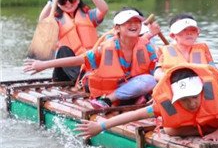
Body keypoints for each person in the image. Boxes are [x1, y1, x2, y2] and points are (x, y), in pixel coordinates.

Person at [24, 8, 158, 108]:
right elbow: (79, 60)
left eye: (136, 22)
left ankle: (141, 97)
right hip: (107, 90)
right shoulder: (107, 46)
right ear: (117, 28)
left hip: (131, 85)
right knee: (148, 81)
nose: (134, 25)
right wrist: (43, 65)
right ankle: (107, 101)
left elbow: (157, 68)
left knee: (151, 80)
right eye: (128, 22)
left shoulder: (146, 45)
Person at [75, 64, 218, 141]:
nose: (192, 103)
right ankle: (204, 130)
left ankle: (212, 129)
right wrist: (101, 127)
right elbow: (135, 115)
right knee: (169, 130)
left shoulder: (215, 94)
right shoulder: (167, 104)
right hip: (196, 127)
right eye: (185, 100)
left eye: (195, 96)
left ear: (202, 90)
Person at [38, 0, 109, 82]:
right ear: (58, 4)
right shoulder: (56, 20)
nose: (68, 3)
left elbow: (104, 9)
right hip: (66, 71)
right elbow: (42, 21)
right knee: (63, 50)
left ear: (78, 0)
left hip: (89, 65)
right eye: (62, 1)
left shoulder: (89, 15)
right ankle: (82, 79)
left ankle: (86, 78)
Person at [153, 14, 216, 81]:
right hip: (175, 86)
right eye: (184, 30)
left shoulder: (203, 49)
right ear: (173, 35)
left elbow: (214, 70)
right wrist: (171, 77)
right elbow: (157, 74)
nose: (189, 33)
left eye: (193, 30)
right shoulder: (165, 52)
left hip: (201, 86)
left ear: (197, 34)